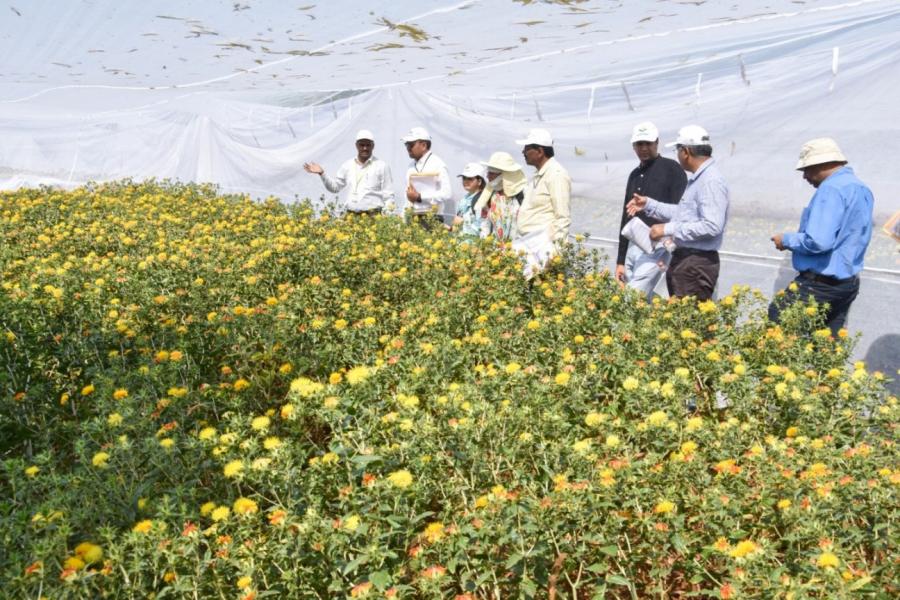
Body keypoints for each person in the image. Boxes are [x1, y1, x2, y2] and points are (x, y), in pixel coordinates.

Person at [768, 138, 874, 335]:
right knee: (826, 343)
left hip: (820, 284)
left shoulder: (831, 189)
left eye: (806, 169)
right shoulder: (860, 188)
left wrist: (786, 240)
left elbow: (818, 241)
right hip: (847, 284)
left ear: (822, 164)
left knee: (779, 328)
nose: (805, 176)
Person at [626, 125, 729, 301]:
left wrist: (667, 229)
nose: (677, 155)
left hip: (696, 264)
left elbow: (712, 226)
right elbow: (684, 213)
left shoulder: (710, 181)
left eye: (677, 150)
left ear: (686, 152)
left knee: (689, 315)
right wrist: (649, 205)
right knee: (680, 314)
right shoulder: (700, 179)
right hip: (688, 261)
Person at [615, 122, 687, 298]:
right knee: (639, 300)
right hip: (633, 245)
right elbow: (626, 217)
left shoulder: (672, 169)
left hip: (658, 246)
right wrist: (620, 260)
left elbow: (681, 211)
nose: (644, 148)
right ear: (634, 146)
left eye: (648, 143)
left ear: (657, 143)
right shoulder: (634, 175)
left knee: (632, 298)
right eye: (639, 144)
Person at [303, 129, 394, 215]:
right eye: (362, 145)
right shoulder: (348, 165)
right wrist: (322, 173)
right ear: (356, 145)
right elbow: (335, 188)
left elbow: (388, 195)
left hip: (373, 216)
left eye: (368, 145)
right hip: (351, 216)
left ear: (373, 146)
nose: (365, 148)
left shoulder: (382, 166)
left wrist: (388, 217)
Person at [515, 128, 571, 244]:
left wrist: (556, 249)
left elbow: (562, 217)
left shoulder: (556, 174)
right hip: (529, 242)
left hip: (543, 246)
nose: (523, 152)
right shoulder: (538, 175)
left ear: (540, 151)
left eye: (527, 149)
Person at [401, 127, 452, 229]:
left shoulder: (438, 164)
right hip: (413, 218)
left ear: (424, 145)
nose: (408, 148)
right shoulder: (411, 167)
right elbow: (408, 196)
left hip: (432, 218)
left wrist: (420, 196)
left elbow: (447, 193)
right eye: (406, 145)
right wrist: (403, 219)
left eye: (411, 145)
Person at [479, 151, 527, 241]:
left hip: (518, 247)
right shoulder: (490, 195)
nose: (488, 176)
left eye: (492, 173)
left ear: (505, 175)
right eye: (488, 172)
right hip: (494, 248)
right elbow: (485, 224)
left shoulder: (523, 195)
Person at [451, 162, 489, 239]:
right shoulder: (464, 199)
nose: (466, 181)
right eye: (464, 178)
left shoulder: (482, 200)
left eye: (470, 179)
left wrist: (462, 223)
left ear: (479, 181)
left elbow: (482, 228)